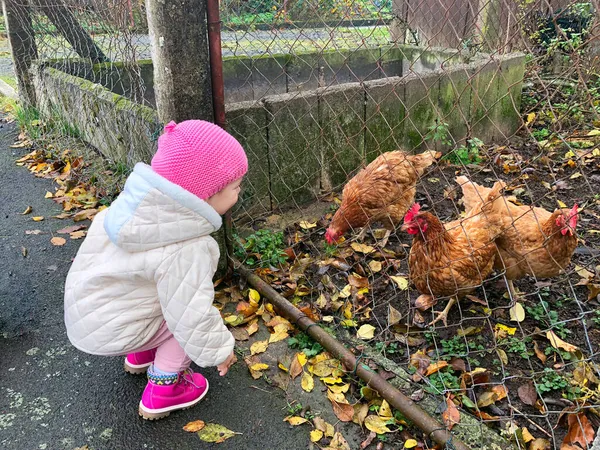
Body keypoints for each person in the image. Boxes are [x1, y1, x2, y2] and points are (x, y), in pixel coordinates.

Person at [64, 120, 247, 420]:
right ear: (207, 193)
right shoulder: (187, 246)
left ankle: (142, 354)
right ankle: (164, 389)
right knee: (183, 318)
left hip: (89, 315)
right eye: (235, 186)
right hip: (114, 329)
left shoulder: (130, 212)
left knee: (159, 290)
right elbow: (192, 317)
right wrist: (220, 350)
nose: (239, 193)